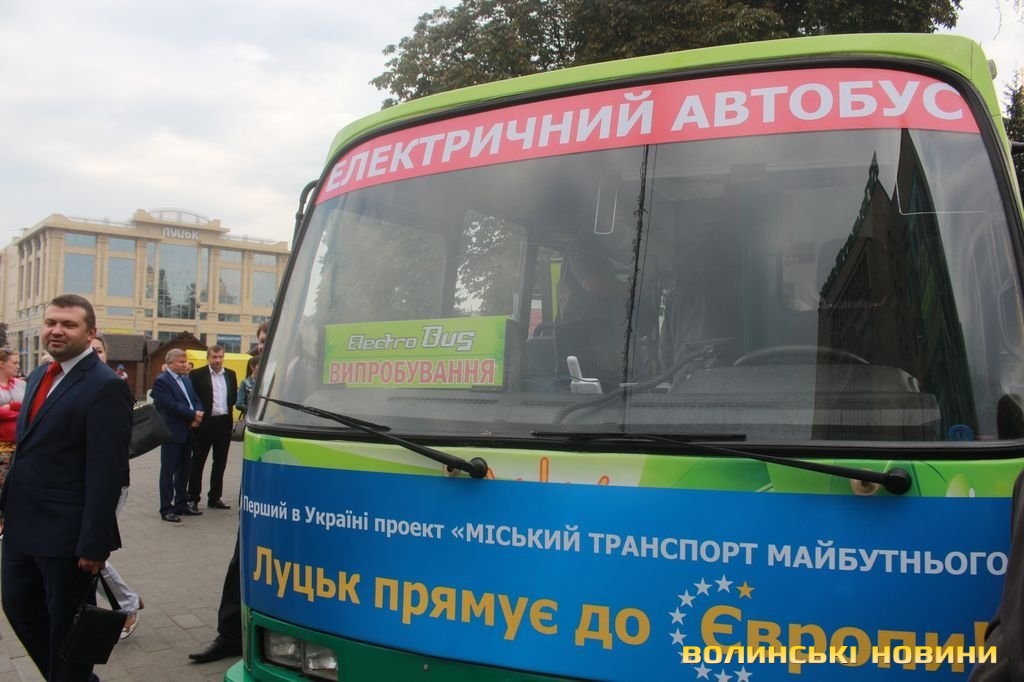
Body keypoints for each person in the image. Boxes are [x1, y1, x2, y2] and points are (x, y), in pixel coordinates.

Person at [0, 294, 132, 682]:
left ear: (90, 333)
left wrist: (94, 543)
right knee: (19, 607)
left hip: (66, 536)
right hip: (22, 526)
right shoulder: (41, 375)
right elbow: (27, 450)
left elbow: (106, 471)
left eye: (68, 324)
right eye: (51, 323)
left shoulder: (106, 386)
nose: (56, 330)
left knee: (67, 628)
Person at [190, 322, 268, 664]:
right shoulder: (257, 377)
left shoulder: (297, 371)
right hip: (259, 482)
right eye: (260, 341)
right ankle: (231, 634)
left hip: (287, 478)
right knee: (242, 558)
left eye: (266, 340)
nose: (262, 346)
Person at [91, 336, 144, 641]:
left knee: (89, 549)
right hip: (78, 485)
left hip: (110, 484)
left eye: (98, 350)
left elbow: (114, 444)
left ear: (106, 355)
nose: (92, 354)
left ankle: (126, 604)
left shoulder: (112, 386)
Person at [151, 348, 204, 522]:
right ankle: (166, 507)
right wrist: (193, 415)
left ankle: (182, 503)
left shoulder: (186, 380)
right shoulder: (162, 381)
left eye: (185, 361)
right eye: (181, 362)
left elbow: (195, 399)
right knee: (169, 470)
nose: (185, 365)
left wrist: (198, 413)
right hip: (172, 432)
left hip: (188, 431)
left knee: (184, 470)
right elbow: (169, 405)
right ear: (170, 363)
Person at [188, 345, 238, 511]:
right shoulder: (197, 375)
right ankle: (193, 498)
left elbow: (232, 398)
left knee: (220, 462)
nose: (217, 360)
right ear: (208, 358)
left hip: (224, 423)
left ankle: (215, 497)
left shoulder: (230, 375)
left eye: (220, 357)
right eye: (214, 357)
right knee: (198, 461)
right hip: (205, 424)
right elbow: (192, 398)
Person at [0, 346, 26, 487]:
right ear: (2, 364)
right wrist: (14, 408)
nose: (18, 366)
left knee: (16, 483)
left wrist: (8, 408)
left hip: (20, 443)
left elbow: (28, 408)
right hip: (1, 445)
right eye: (14, 363)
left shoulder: (21, 385)